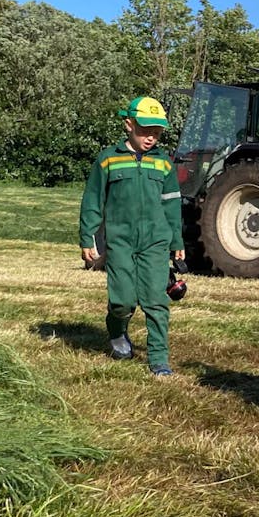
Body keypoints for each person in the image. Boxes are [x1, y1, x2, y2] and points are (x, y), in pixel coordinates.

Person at [79, 96, 185, 377]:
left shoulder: (163, 163)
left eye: (157, 132)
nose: (151, 137)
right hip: (120, 241)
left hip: (155, 241)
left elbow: (172, 203)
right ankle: (116, 330)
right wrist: (87, 237)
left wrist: (177, 241)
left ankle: (159, 359)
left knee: (155, 301)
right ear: (128, 124)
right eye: (145, 130)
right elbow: (92, 200)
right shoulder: (108, 160)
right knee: (122, 300)